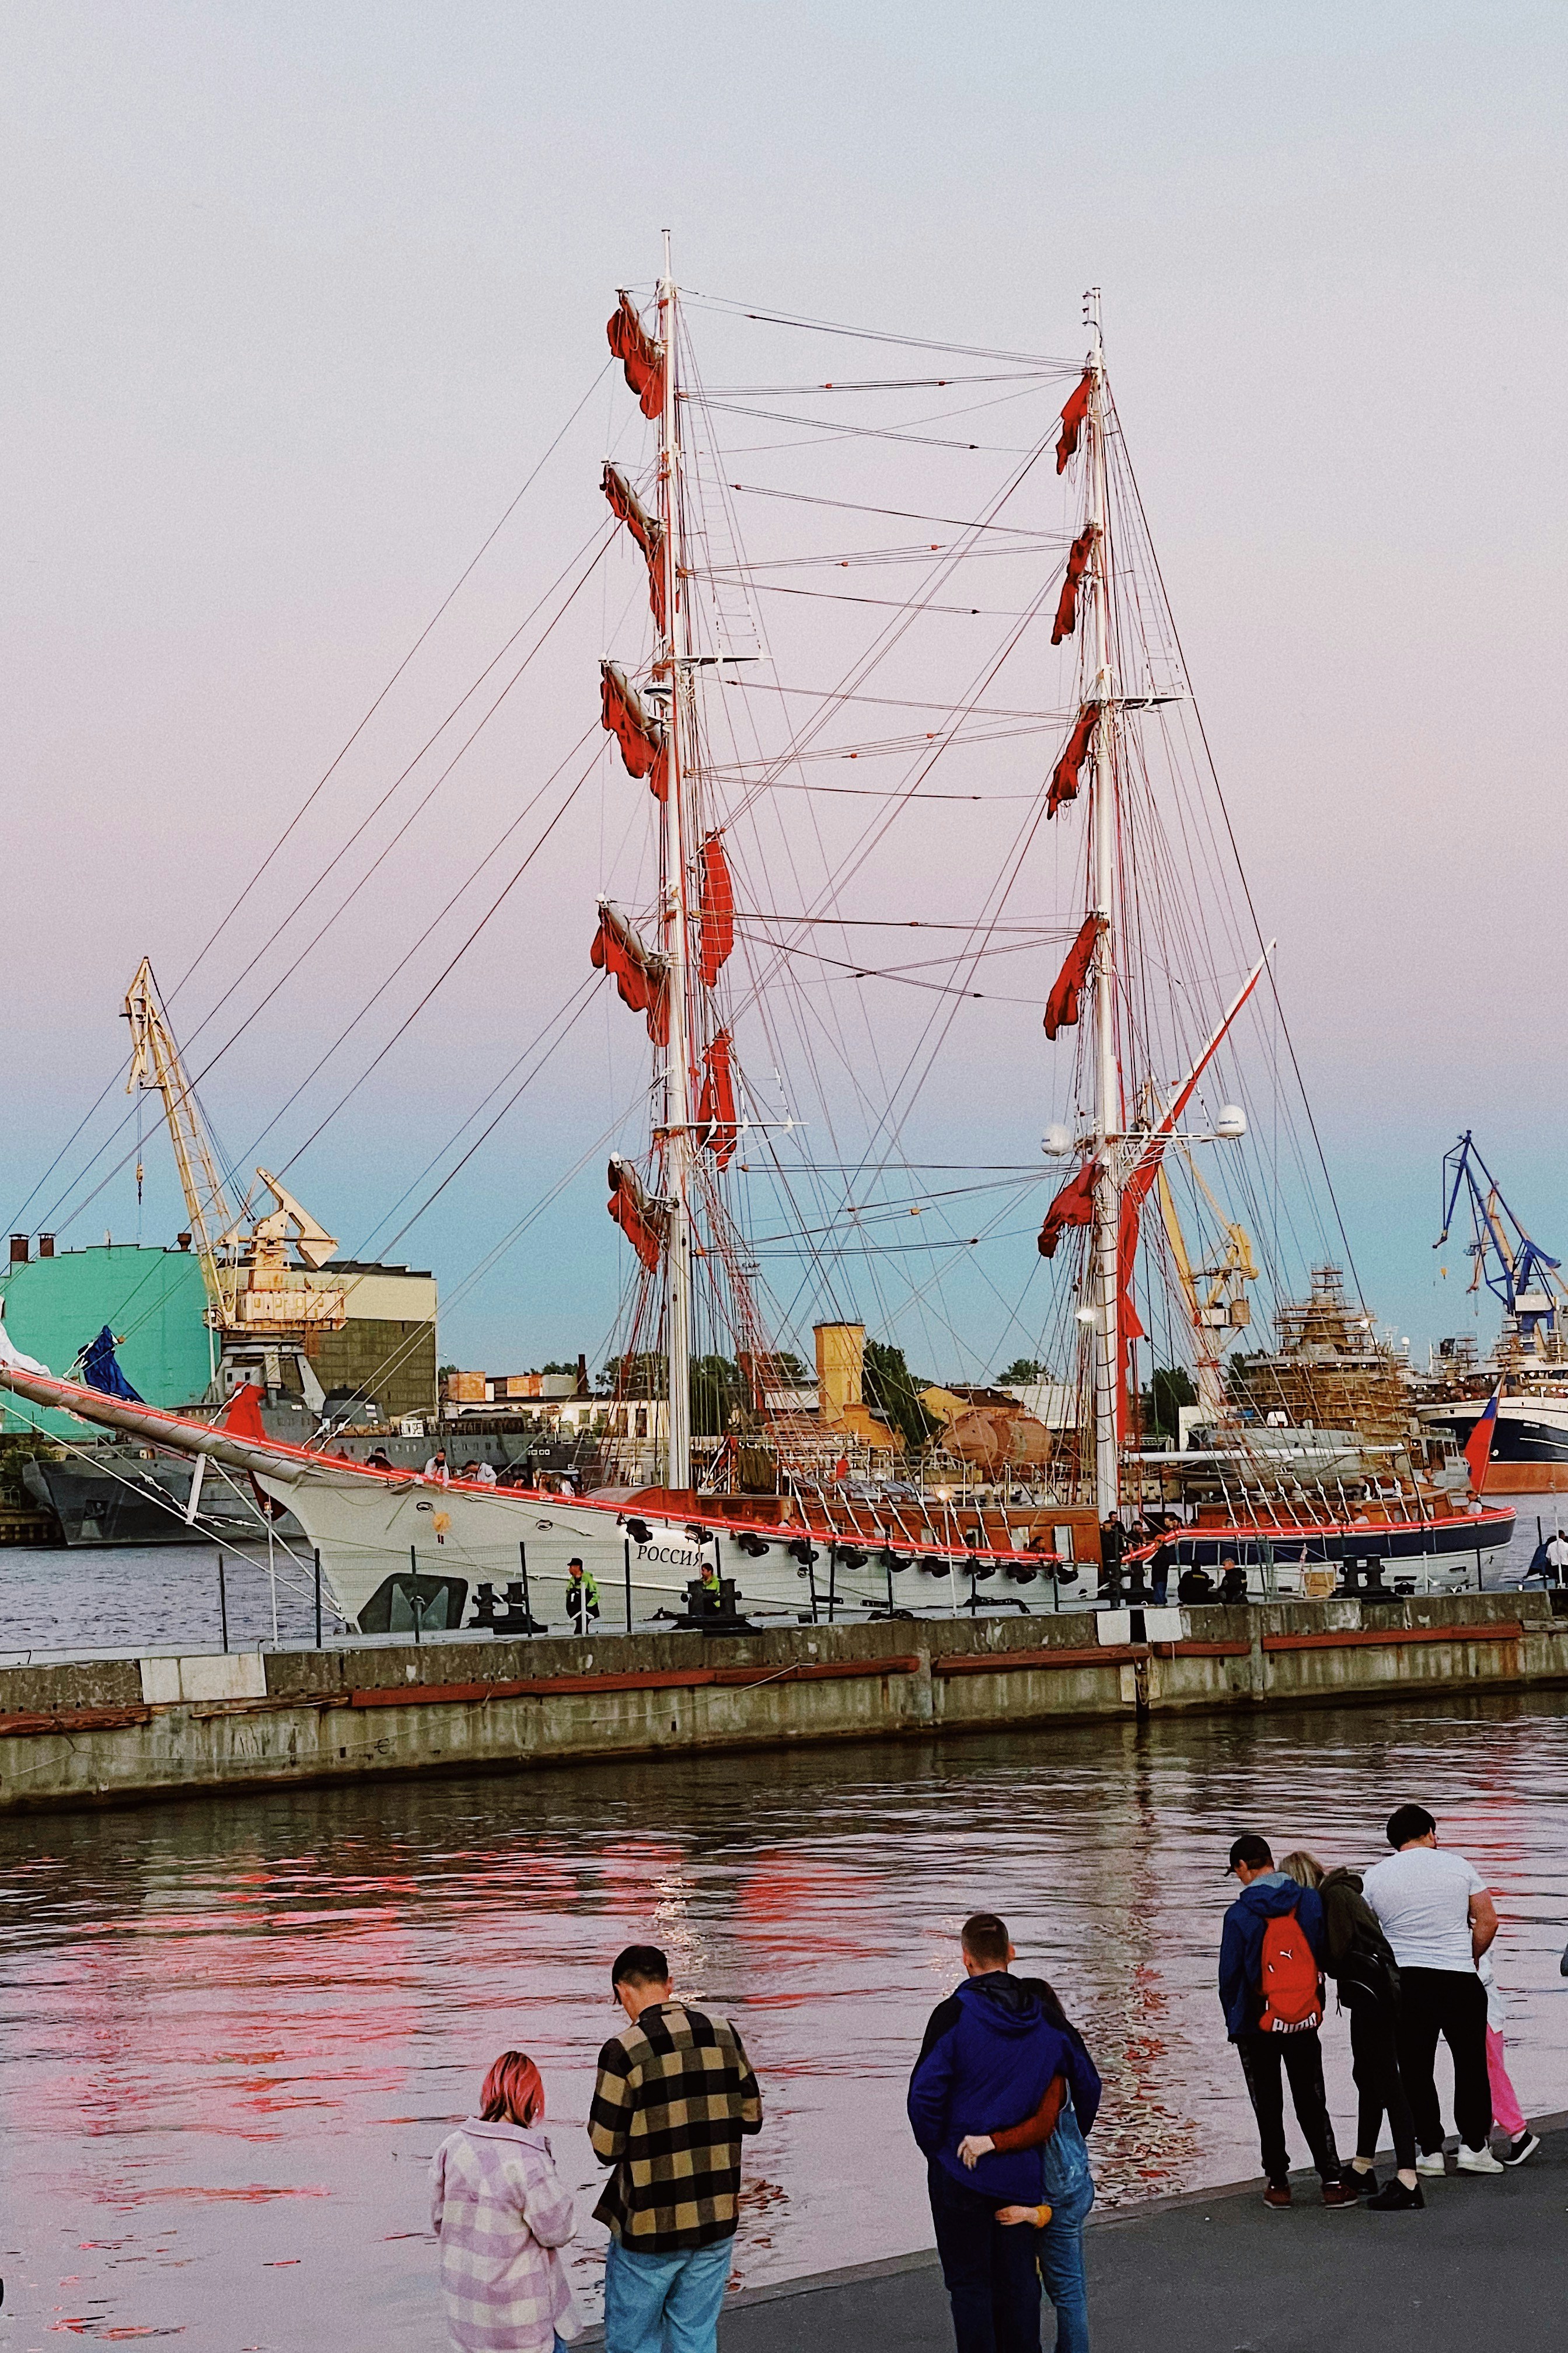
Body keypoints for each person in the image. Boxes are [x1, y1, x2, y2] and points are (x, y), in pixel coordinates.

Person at [909, 1911, 1102, 2353]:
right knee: (1018, 2284)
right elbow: (1087, 2083)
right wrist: (1063, 2138)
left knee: (970, 2285)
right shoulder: (1045, 2019)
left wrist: (937, 2150)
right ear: (1010, 1954)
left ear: (966, 1960)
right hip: (1020, 2172)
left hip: (959, 2172)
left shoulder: (952, 2015)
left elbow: (924, 2095)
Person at [588, 1942, 762, 2353]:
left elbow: (605, 2147)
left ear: (622, 1991)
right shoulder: (723, 2033)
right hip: (716, 2218)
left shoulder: (623, 2051)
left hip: (651, 2227)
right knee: (695, 2337)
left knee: (634, 2342)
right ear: (669, 1983)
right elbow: (752, 2118)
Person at [1363, 1803, 1501, 2176]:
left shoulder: (1374, 1877)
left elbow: (1366, 1934)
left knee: (1415, 2068)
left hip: (1407, 1982)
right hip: (1457, 1978)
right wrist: (1467, 1957)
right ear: (1427, 1832)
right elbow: (1488, 1921)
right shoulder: (1458, 1866)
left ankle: (1430, 2151)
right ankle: (1474, 2147)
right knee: (1471, 2065)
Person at [1219, 1834, 1353, 2209]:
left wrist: (1235, 2022)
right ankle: (1332, 2181)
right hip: (1303, 2018)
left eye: (1237, 1872)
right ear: (1270, 1861)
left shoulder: (1239, 1914)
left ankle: (1278, 2184)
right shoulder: (1308, 1900)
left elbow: (1230, 1977)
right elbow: (1321, 1953)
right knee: (1312, 2097)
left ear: (1244, 1867)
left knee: (1268, 2102)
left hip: (1255, 2022)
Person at [1286, 1851, 1422, 2211]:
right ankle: (1363, 2164)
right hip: (1374, 1992)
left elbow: (1335, 1951)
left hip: (1373, 1997)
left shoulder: (1334, 1899)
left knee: (1388, 2084)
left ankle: (1408, 2179)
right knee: (1367, 2076)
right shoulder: (1341, 1893)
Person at [430, 2049, 581, 2353]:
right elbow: (559, 2231)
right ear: (532, 2098)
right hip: (522, 2322)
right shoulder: (528, 2158)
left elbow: (439, 2220)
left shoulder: (451, 2147)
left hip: (468, 2315)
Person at [1477, 1950, 1539, 2166]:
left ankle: (1518, 2133)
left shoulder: (1468, 1927)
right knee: (1484, 2072)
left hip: (1481, 2007)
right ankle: (1478, 2137)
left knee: (1488, 2074)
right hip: (1486, 2006)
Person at [566, 1559, 599, 1631]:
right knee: (581, 1627)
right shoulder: (572, 1580)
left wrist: (588, 1606)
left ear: (577, 1567)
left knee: (580, 1628)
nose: (569, 1569)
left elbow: (595, 1594)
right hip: (576, 1610)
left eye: (571, 1567)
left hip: (586, 1609)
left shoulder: (587, 1578)